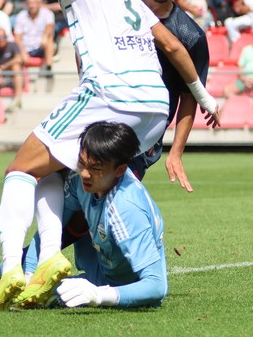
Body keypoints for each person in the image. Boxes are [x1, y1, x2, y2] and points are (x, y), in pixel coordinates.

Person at [0, 0, 217, 311]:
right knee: (64, 175)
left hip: (113, 94)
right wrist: (206, 98)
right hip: (153, 111)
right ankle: (83, 267)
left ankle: (14, 268)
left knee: (20, 169)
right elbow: (173, 46)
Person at [43, 122, 168, 309]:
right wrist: (29, 271)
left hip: (124, 286)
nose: (85, 174)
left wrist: (99, 295)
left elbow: (156, 286)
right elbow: (51, 229)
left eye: (96, 168)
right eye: (82, 163)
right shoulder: (81, 181)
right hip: (98, 272)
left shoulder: (126, 208)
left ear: (120, 170)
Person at [125, 0, 211, 189]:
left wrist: (176, 151)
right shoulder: (117, 11)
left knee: (106, 197)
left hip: (142, 140)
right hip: (103, 118)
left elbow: (189, 97)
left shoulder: (191, 36)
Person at [13, 0, 55, 74]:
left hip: (41, 47)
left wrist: (45, 37)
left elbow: (50, 26)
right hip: (26, 49)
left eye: (34, 3)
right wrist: (23, 53)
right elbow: (17, 38)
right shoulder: (21, 16)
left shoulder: (47, 13)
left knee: (49, 39)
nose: (32, 6)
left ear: (39, 3)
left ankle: (48, 67)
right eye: (29, 3)